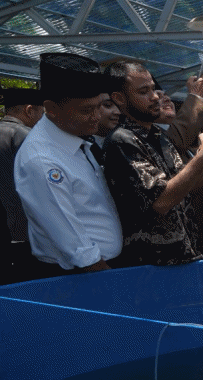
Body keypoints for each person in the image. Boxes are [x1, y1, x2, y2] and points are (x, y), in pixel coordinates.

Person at [102, 60, 203, 267]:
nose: (154, 97)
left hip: (185, 258)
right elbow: (161, 201)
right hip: (153, 267)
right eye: (143, 91)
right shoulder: (122, 141)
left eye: (153, 88)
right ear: (119, 98)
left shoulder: (159, 136)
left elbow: (186, 187)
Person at [14, 53, 123, 277]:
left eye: (98, 107)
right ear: (51, 108)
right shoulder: (42, 161)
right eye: (86, 110)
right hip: (82, 275)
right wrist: (109, 281)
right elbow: (74, 245)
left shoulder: (77, 139)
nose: (96, 116)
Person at [0, 88, 44, 256]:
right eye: (41, 112)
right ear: (29, 110)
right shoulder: (25, 135)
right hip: (22, 227)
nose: (42, 118)